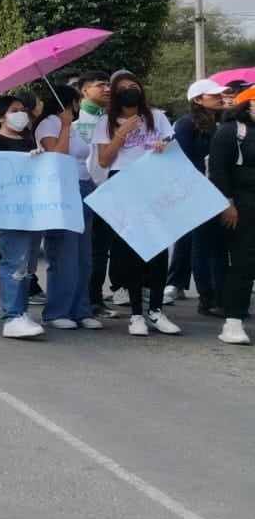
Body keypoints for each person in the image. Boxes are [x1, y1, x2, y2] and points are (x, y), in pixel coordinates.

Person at [93, 71, 181, 336]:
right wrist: (121, 133)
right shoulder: (105, 123)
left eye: (134, 85)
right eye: (124, 87)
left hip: (153, 180)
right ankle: (136, 315)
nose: (131, 90)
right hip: (123, 183)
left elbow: (170, 141)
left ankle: (156, 310)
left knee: (157, 247)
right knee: (129, 251)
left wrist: (163, 145)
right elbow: (104, 161)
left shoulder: (157, 116)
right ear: (116, 94)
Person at [0, 94, 48, 340]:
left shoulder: (28, 138)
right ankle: (12, 316)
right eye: (14, 110)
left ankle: (21, 312)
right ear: (0, 116)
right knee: (14, 263)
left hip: (31, 210)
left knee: (28, 265)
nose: (21, 114)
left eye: (23, 110)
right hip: (10, 212)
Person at [33, 84, 100, 331]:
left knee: (84, 257)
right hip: (62, 191)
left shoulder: (74, 126)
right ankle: (57, 311)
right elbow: (57, 156)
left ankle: (81, 309)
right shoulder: (49, 123)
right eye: (77, 102)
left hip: (84, 188)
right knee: (64, 256)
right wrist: (63, 125)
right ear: (69, 103)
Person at [170, 79, 231, 315]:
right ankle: (207, 298)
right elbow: (182, 161)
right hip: (197, 192)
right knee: (202, 246)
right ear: (197, 99)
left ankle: (222, 296)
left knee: (220, 247)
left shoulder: (225, 122)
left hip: (223, 192)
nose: (219, 97)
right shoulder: (186, 124)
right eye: (212, 94)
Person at [208, 88, 255, 345]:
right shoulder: (230, 131)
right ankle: (233, 321)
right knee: (242, 263)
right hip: (242, 205)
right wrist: (227, 204)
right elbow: (218, 170)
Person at [73, 71, 119, 317]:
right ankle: (84, 301)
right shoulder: (77, 121)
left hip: (109, 190)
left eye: (108, 84)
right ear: (84, 91)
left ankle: (95, 299)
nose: (107, 89)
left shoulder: (111, 118)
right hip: (86, 190)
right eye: (100, 85)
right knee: (85, 251)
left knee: (101, 250)